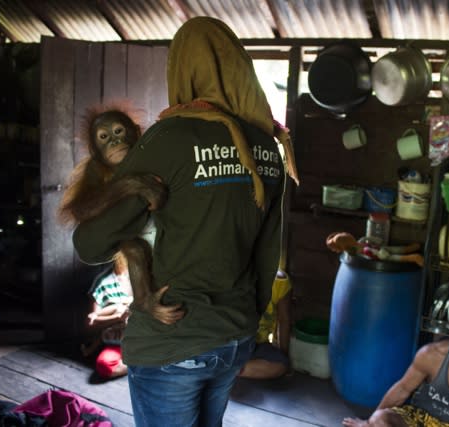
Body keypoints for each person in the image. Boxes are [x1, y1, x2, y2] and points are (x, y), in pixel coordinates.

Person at [72, 16, 298, 427]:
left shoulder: (168, 138)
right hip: (234, 335)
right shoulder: (268, 145)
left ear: (181, 69)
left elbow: (90, 245)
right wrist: (243, 323)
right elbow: (268, 254)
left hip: (174, 339)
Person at [343, 289, 449, 427]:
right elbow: (402, 389)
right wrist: (369, 422)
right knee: (381, 420)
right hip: (419, 420)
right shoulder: (432, 355)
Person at [81, 252, 133, 379]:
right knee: (105, 365)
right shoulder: (105, 282)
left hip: (147, 339)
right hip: (119, 341)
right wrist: (117, 317)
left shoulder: (149, 276)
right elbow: (91, 323)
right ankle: (140, 365)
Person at [238, 268, 292, 379]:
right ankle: (226, 369)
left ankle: (228, 371)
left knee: (280, 366)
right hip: (231, 345)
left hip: (258, 346)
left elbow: (284, 319)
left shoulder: (280, 281)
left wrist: (284, 355)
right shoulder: (235, 277)